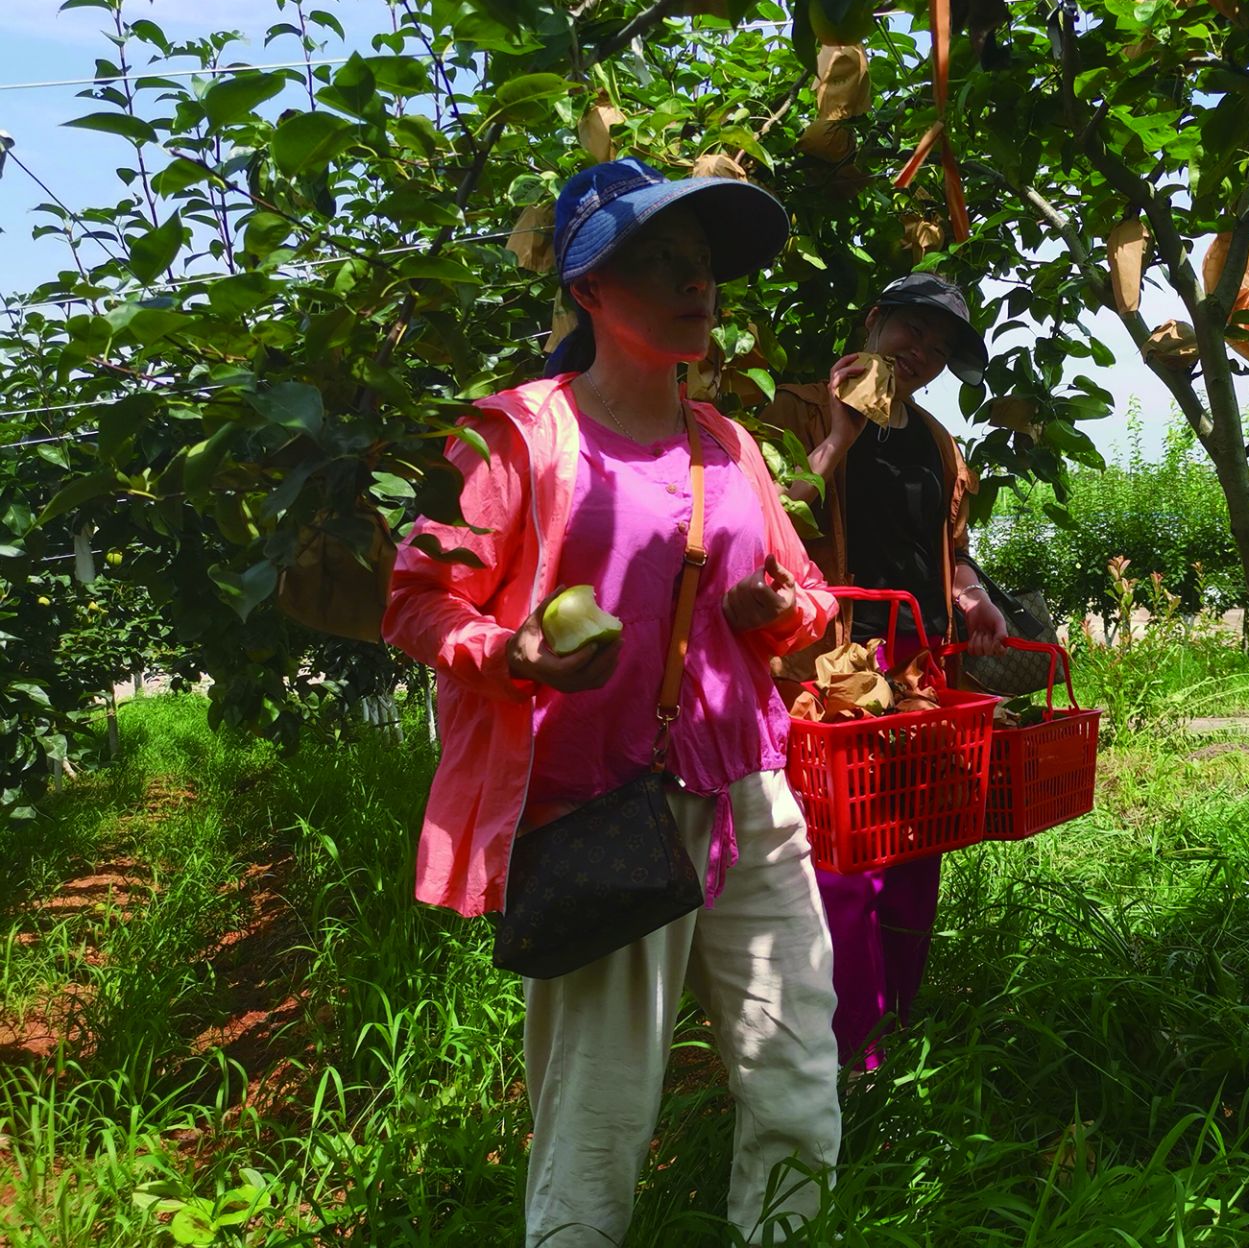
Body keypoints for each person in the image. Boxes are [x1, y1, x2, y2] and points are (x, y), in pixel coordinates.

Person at [383, 158, 844, 1246]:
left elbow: (809, 602)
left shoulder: (727, 444)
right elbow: (415, 604)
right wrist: (517, 653)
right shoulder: (515, 436)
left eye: (705, 266)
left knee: (795, 1076)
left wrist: (778, 609)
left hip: (747, 795)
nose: (698, 285)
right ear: (589, 289)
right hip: (598, 809)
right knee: (599, 1116)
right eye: (661, 263)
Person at [759, 272, 1009, 1070]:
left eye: (938, 350)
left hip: (920, 667)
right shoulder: (793, 408)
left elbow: (951, 548)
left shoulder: (938, 441)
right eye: (913, 333)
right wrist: (838, 431)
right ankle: (846, 1056)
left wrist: (972, 598)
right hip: (830, 666)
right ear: (874, 322)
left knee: (915, 853)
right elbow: (768, 525)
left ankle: (898, 1036)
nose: (923, 355)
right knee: (842, 862)